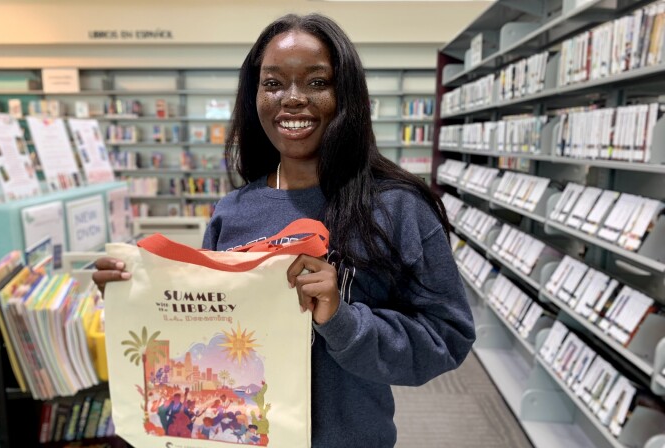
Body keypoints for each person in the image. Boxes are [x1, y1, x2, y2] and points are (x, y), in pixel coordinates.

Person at [93, 13, 475, 448]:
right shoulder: (232, 212)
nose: (292, 99)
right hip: (241, 436)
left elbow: (448, 337)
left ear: (346, 93)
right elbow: (206, 329)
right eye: (273, 83)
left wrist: (342, 320)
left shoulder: (397, 208)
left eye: (316, 82)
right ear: (254, 95)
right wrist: (137, 299)